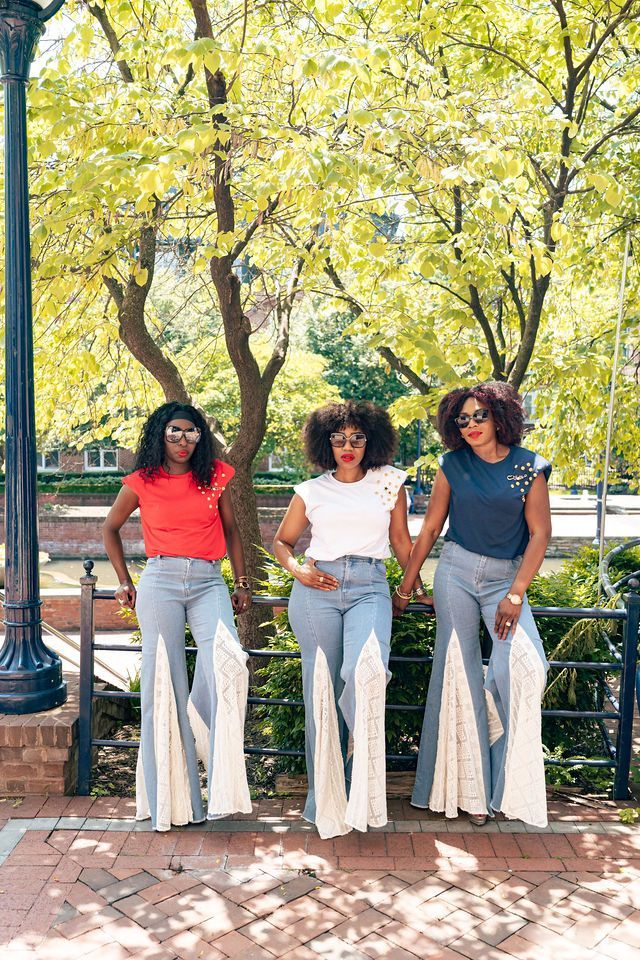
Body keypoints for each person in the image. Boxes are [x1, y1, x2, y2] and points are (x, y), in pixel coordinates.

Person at [393, 382, 552, 828]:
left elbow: (540, 534)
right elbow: (428, 531)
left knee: (521, 668)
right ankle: (471, 792)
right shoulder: (451, 465)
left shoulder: (529, 467)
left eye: (479, 415)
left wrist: (516, 593)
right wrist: (406, 588)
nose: (470, 425)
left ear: (500, 416)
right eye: (461, 419)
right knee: (457, 677)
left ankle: (507, 786)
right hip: (456, 575)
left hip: (506, 579)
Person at [273, 400, 424, 839]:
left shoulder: (389, 483)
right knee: (321, 691)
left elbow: (400, 541)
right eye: (338, 438)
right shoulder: (310, 490)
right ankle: (325, 803)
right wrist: (298, 569)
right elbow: (283, 542)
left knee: (364, 673)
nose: (348, 446)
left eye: (357, 438)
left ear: (371, 441)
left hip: (371, 586)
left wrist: (413, 589)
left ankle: (363, 792)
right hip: (317, 587)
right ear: (326, 442)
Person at [103, 402, 253, 831]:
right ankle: (173, 801)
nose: (183, 440)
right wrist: (124, 580)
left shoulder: (215, 477)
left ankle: (213, 765)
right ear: (160, 434)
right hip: (160, 581)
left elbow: (231, 531)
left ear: (200, 437)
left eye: (191, 432)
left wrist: (241, 583)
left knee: (227, 661)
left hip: (209, 581)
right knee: (161, 685)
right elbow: (110, 528)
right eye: (174, 432)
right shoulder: (141, 481)